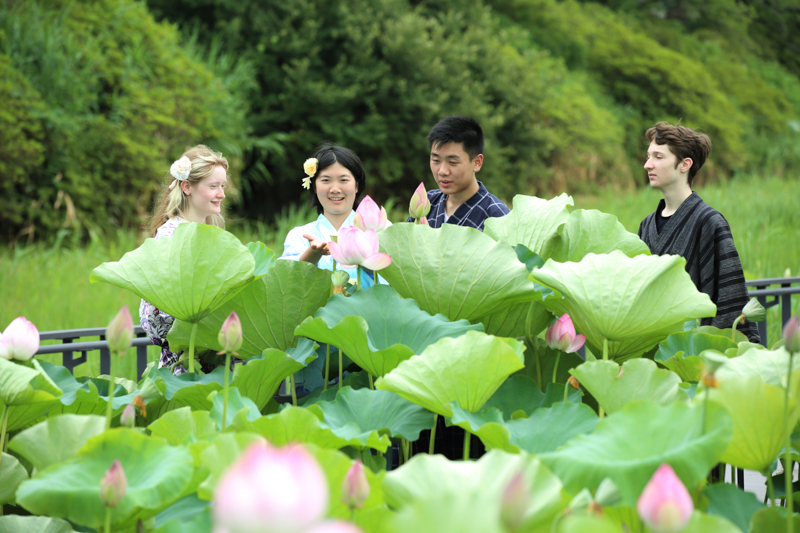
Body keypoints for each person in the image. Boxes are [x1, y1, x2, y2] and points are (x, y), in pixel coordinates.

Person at [638, 122, 759, 343]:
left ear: (685, 164)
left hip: (693, 351)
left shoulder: (709, 222)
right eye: (648, 156)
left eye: (658, 157)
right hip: (649, 347)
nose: (647, 164)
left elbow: (730, 296)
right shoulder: (646, 226)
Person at [279, 144, 387, 391]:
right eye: (326, 180)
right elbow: (286, 287)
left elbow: (394, 287)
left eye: (344, 180)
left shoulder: (380, 231)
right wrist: (313, 254)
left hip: (367, 342)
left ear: (357, 185)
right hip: (316, 347)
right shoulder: (299, 235)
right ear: (314, 185)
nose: (335, 189)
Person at [139, 144, 233, 375]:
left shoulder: (216, 235)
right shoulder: (169, 236)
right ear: (187, 187)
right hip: (183, 366)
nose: (221, 194)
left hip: (219, 361)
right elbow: (152, 318)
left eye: (222, 186)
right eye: (213, 186)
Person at [407, 115, 509, 231]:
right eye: (436, 160)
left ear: (477, 162)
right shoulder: (425, 203)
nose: (442, 171)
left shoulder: (498, 217)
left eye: (452, 162)